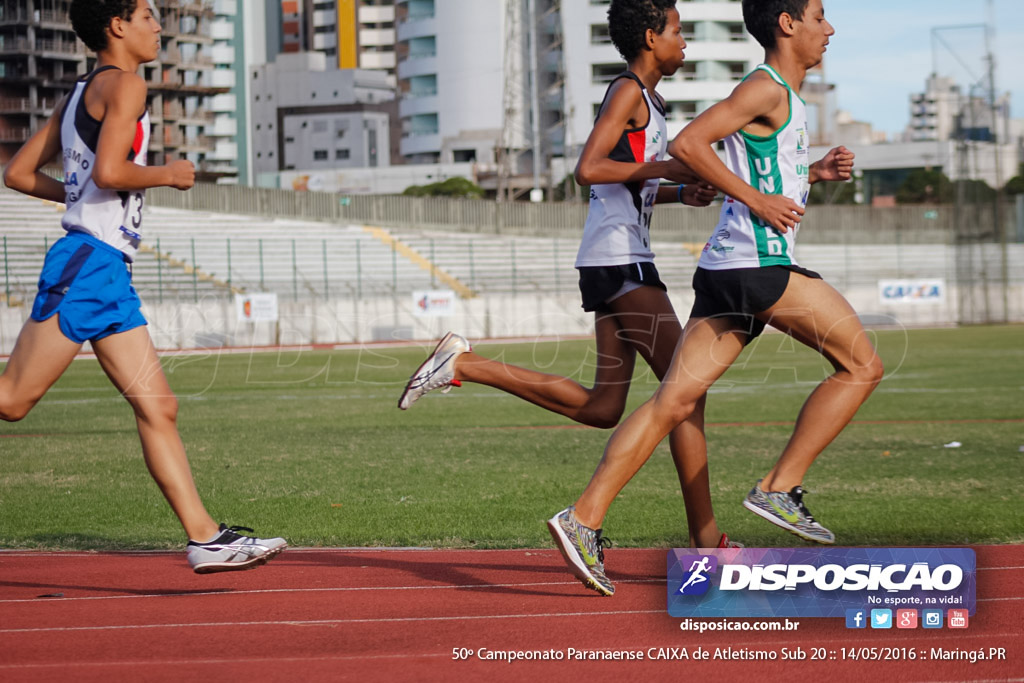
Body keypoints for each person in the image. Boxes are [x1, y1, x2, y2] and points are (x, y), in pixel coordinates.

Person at [547, 0, 884, 595]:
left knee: (672, 404)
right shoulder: (765, 86)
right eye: (819, 16)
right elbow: (690, 142)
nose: (829, 29)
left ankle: (583, 518)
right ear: (787, 23)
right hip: (759, 266)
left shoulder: (780, 96)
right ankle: (780, 486)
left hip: (724, 272)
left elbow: (759, 167)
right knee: (862, 364)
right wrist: (757, 203)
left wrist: (813, 171)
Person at [398, 0, 738, 574]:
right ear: (651, 37)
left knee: (607, 407)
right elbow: (589, 168)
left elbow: (627, 184)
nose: (686, 43)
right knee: (686, 394)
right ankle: (702, 541)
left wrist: (685, 192)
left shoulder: (652, 102)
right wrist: (664, 171)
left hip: (615, 257)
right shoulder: (627, 90)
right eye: (679, 31)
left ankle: (466, 365)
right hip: (620, 260)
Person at [0, 0, 285, 574]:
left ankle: (205, 538)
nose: (160, 26)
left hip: (104, 267)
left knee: (160, 406)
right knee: (12, 400)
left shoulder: (80, 91)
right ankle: (204, 536)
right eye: (150, 15)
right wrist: (167, 174)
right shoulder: (126, 86)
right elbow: (109, 172)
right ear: (118, 26)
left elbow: (18, 173)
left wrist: (78, 201)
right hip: (90, 264)